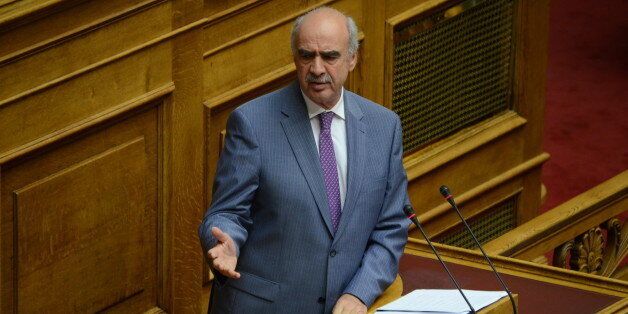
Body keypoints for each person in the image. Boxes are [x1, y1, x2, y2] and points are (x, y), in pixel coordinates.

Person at [199, 7, 408, 314]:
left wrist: (360, 293)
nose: (317, 68)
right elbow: (226, 212)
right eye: (306, 55)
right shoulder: (252, 123)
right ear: (295, 58)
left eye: (330, 56)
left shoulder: (384, 126)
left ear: (352, 58)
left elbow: (391, 227)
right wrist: (224, 242)